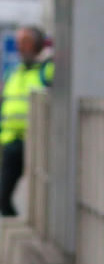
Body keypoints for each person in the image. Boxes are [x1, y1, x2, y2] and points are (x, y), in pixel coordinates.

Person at [0, 26, 53, 217]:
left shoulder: (47, 70)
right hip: (11, 142)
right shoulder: (12, 73)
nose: (21, 46)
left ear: (38, 44)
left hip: (39, 141)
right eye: (19, 42)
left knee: (42, 197)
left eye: (26, 41)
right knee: (3, 197)